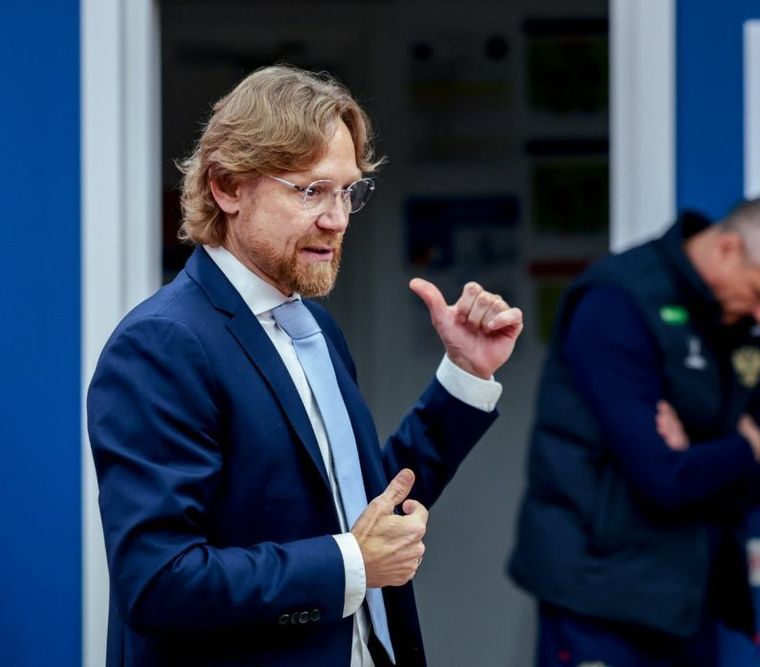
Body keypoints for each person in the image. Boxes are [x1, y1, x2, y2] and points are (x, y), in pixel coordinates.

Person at [87, 64, 523, 667]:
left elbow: (365, 506)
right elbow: (158, 580)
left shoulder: (313, 327)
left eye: (348, 192)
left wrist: (466, 375)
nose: (337, 219)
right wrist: (350, 564)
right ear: (227, 188)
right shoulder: (163, 343)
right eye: (309, 190)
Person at [508, 195, 760, 666]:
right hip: (597, 595)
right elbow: (662, 478)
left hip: (689, 599)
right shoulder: (616, 302)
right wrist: (742, 447)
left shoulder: (748, 323)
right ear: (728, 249)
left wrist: (695, 455)